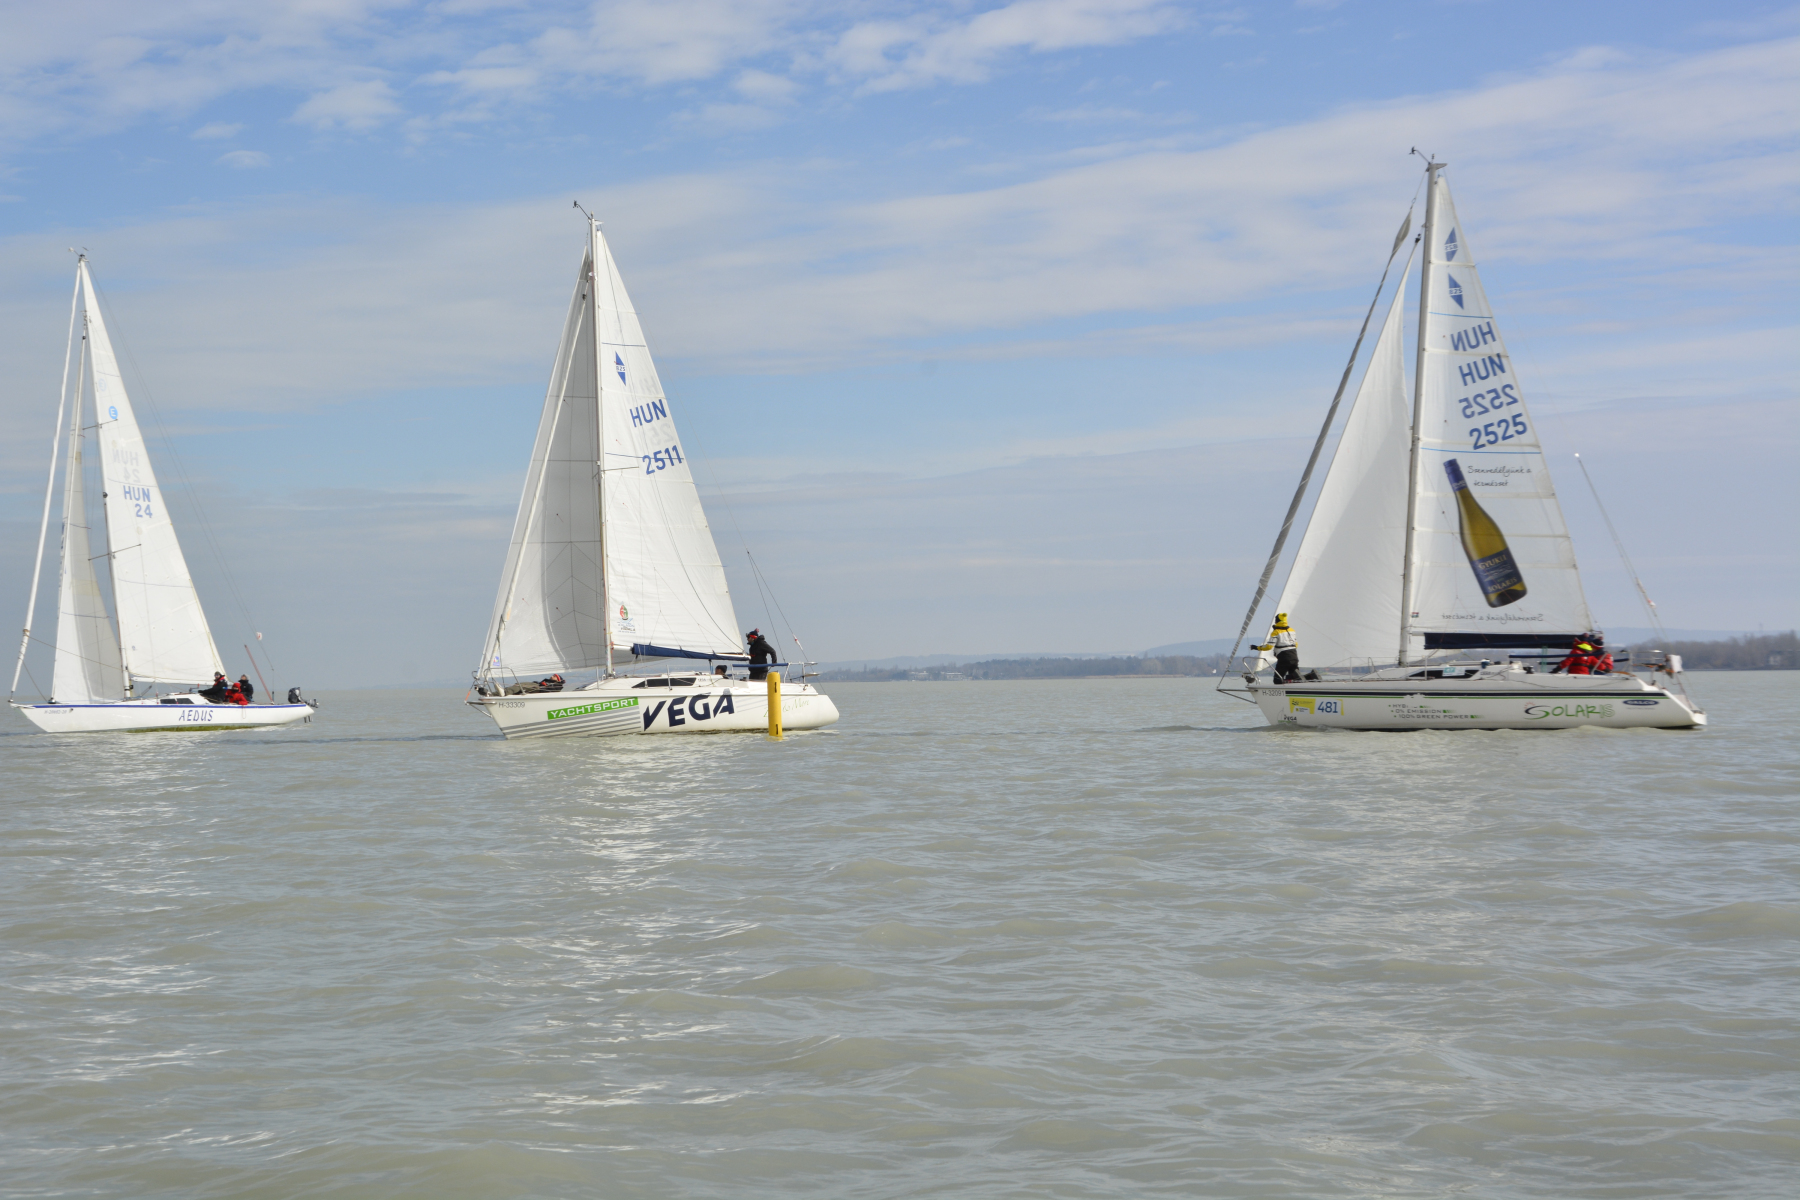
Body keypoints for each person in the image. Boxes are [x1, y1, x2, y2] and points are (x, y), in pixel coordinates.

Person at [1255, 614, 1301, 684]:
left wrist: (1256, 647)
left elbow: (1269, 647)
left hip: (1284, 659)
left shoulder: (1276, 632)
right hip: (1294, 657)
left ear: (1277, 621)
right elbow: (1296, 645)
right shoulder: (1292, 630)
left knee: (1277, 680)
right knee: (1295, 679)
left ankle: (1284, 688)